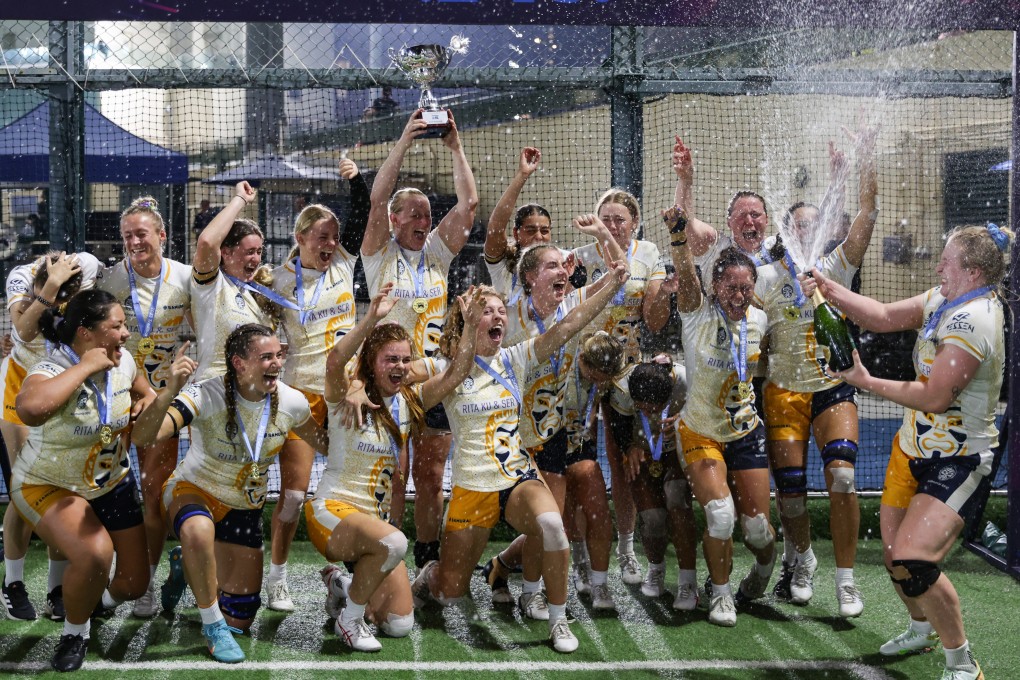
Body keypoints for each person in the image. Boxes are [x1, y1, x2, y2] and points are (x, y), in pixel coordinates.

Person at [813, 223, 1009, 680]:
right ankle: (921, 628)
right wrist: (827, 288)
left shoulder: (976, 318)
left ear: (973, 271)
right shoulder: (945, 298)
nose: (937, 268)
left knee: (914, 558)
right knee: (893, 556)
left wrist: (865, 381)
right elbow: (881, 316)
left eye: (946, 261)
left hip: (958, 458)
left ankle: (963, 663)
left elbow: (935, 397)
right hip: (910, 448)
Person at [413, 266, 627, 654]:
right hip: (472, 485)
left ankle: (558, 620)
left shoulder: (515, 356)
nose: (498, 316)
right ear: (466, 319)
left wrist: (613, 285)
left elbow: (570, 325)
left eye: (501, 310)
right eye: (486, 311)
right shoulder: (443, 366)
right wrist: (357, 388)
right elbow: (396, 374)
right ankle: (430, 575)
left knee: (553, 527)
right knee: (449, 592)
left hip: (516, 475)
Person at [132, 324, 328, 663]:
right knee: (197, 530)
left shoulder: (292, 401)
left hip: (244, 508)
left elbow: (324, 444)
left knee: (240, 618)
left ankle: (186, 565)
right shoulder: (204, 394)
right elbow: (143, 437)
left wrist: (347, 400)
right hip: (194, 491)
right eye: (266, 357)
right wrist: (169, 391)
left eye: (278, 355)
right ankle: (212, 626)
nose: (276, 363)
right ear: (239, 363)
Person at [753, 126, 877, 615]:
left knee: (843, 479)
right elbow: (747, 331)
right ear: (785, 233)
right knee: (791, 495)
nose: (806, 231)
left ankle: (846, 581)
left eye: (813, 224)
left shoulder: (837, 265)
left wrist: (864, 159)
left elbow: (867, 212)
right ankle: (801, 560)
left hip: (831, 389)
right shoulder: (764, 278)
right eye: (798, 225)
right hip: (783, 393)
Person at [11, 290, 155, 671]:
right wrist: (84, 368)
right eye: (117, 326)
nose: (126, 333)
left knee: (133, 584)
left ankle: (93, 602)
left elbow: (143, 388)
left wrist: (148, 398)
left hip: (111, 481)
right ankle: (76, 633)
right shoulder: (52, 366)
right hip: (48, 483)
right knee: (94, 554)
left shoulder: (123, 361)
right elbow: (30, 409)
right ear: (86, 333)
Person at [361, 108, 478, 569]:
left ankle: (428, 558)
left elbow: (469, 206)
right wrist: (405, 141)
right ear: (394, 220)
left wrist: (456, 148)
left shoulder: (436, 255)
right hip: (387, 380)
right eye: (414, 214)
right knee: (394, 472)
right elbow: (376, 200)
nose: (424, 221)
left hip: (432, 377)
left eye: (427, 215)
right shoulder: (378, 253)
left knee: (430, 475)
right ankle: (384, 552)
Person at [482, 238, 621, 613]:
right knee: (529, 524)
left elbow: (610, 281)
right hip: (509, 438)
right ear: (529, 277)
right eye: (551, 266)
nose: (562, 272)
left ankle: (530, 591)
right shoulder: (507, 317)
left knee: (549, 522)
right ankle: (496, 567)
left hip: (551, 433)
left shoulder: (572, 303)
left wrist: (604, 246)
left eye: (563, 266)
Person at [263, 158, 369, 613]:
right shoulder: (277, 281)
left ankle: (344, 576)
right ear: (301, 237)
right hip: (300, 396)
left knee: (350, 491)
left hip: (345, 394)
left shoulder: (344, 263)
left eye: (334, 236)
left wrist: (356, 180)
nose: (330, 244)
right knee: (292, 495)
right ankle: (277, 578)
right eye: (321, 237)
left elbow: (364, 212)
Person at [668, 205, 775, 627]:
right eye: (730, 287)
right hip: (701, 432)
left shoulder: (760, 320)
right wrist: (679, 237)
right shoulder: (697, 314)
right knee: (720, 515)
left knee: (758, 530)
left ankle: (764, 569)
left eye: (746, 288)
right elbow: (686, 276)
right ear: (715, 286)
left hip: (746, 431)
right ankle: (721, 592)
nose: (738, 296)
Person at [96, 196, 193, 618]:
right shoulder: (109, 279)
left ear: (161, 235)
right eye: (127, 236)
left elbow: (204, 330)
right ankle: (97, 574)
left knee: (153, 497)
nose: (134, 242)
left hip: (161, 406)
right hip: (114, 402)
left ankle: (146, 584)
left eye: (141, 234)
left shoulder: (185, 277)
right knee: (101, 487)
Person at [572, 188, 671, 586]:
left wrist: (664, 293)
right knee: (578, 462)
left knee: (622, 461)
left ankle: (626, 549)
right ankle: (579, 553)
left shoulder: (648, 254)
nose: (612, 226)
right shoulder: (581, 257)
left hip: (627, 369)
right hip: (584, 368)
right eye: (606, 219)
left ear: (635, 224)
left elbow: (654, 319)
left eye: (620, 220)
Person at [311, 284, 416, 651]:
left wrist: (470, 328)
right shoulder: (345, 395)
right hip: (333, 512)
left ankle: (340, 584)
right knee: (394, 542)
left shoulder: (407, 400)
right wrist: (370, 318)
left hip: (375, 527)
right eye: (391, 359)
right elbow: (334, 362)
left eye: (405, 359)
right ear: (372, 361)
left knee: (399, 624)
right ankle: (350, 620)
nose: (400, 366)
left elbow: (452, 373)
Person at [2, 250, 101, 623]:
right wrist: (52, 284)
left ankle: (56, 589)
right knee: (24, 488)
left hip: (63, 387)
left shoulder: (86, 266)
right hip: (20, 386)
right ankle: (13, 582)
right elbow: (22, 331)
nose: (61, 303)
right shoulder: (20, 276)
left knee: (64, 486)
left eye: (66, 296)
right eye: (54, 294)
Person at [620, 360, 702, 611]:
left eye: (653, 408)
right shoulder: (624, 388)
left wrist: (685, 421)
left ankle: (688, 580)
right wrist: (628, 446)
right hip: (643, 452)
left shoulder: (688, 380)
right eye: (641, 408)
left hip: (678, 450)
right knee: (653, 518)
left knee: (677, 498)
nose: (648, 414)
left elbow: (709, 410)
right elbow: (616, 423)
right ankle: (655, 568)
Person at [190, 180, 277, 384]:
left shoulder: (254, 293)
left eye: (259, 251)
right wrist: (240, 199)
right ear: (226, 253)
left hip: (251, 391)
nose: (256, 259)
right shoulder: (211, 284)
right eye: (249, 252)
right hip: (214, 388)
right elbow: (207, 242)